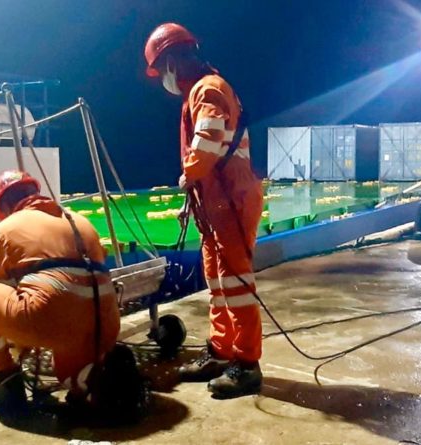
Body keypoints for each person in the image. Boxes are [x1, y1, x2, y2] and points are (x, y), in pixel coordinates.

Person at [144, 23, 265, 398]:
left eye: (162, 67)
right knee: (218, 283)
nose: (164, 77)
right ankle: (221, 349)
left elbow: (208, 142)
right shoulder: (200, 89)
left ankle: (246, 365)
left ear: (173, 61)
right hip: (216, 204)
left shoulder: (208, 89)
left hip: (231, 201)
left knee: (236, 285)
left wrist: (188, 174)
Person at [0, 170, 143, 415]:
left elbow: (1, 288)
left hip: (53, 320)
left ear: (1, 207)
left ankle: (5, 379)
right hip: (106, 324)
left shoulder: (5, 229)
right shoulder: (79, 220)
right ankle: (88, 383)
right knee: (70, 369)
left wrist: (22, 340)